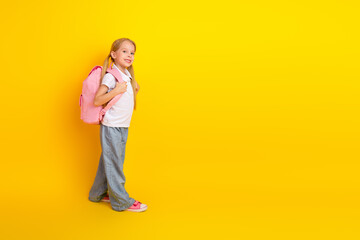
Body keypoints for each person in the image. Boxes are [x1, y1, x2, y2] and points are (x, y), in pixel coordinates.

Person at [88, 38, 147, 212]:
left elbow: (130, 92)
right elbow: (97, 100)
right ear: (113, 54)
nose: (129, 55)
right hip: (111, 126)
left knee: (109, 159)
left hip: (122, 126)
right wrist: (116, 90)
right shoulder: (110, 76)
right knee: (115, 163)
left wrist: (132, 86)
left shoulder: (127, 76)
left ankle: (97, 194)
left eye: (132, 52)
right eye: (124, 51)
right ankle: (121, 201)